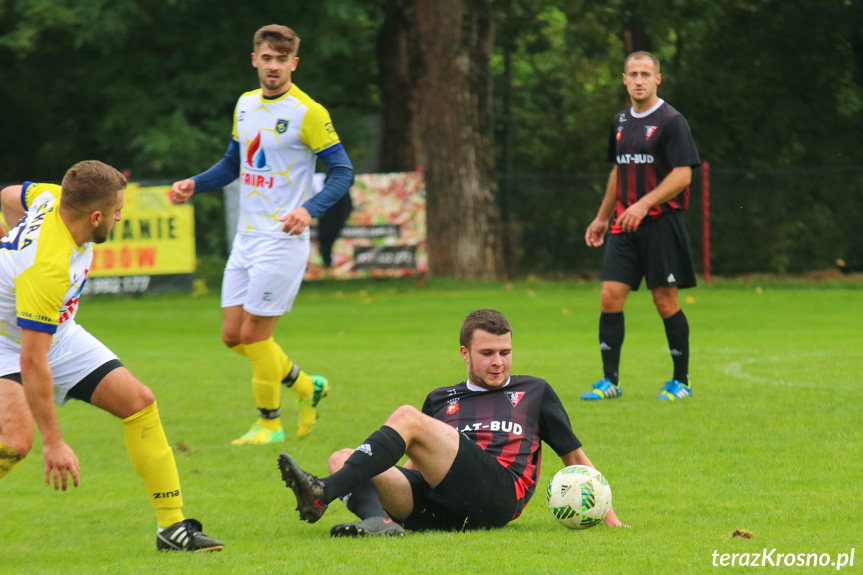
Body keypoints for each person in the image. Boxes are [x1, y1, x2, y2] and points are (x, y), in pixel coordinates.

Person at [0, 161, 224, 552]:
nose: (120, 217)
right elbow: (33, 361)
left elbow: (6, 195)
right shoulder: (46, 268)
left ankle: (172, 529)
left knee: (139, 403)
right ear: (96, 215)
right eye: (118, 212)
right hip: (9, 342)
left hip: (57, 331)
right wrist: (54, 442)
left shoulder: (54, 196)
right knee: (17, 443)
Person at [277, 309, 626, 536]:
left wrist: (608, 515)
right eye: (487, 353)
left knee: (406, 417)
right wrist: (385, 484)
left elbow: (574, 458)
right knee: (342, 457)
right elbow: (418, 464)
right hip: (441, 503)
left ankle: (323, 492)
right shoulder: (442, 398)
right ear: (465, 353)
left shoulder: (535, 391)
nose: (498, 363)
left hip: (498, 495)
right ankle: (378, 521)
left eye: (505, 353)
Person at [169, 24, 355, 443]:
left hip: (283, 239)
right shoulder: (245, 105)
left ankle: (270, 423)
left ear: (294, 63)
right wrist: (194, 184)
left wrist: (310, 209)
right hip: (246, 238)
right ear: (255, 59)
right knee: (232, 337)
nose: (273, 66)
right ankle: (307, 386)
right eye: (266, 58)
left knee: (255, 335)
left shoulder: (309, 112)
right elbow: (233, 164)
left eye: (281, 59)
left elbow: (343, 172)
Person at [582, 51, 701, 402]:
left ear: (657, 79)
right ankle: (610, 382)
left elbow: (683, 174)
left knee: (665, 300)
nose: (638, 80)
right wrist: (603, 216)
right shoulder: (620, 121)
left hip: (661, 222)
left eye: (645, 74)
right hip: (623, 224)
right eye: (632, 74)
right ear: (624, 79)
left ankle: (681, 381)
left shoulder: (671, 120)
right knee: (609, 296)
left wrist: (644, 203)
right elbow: (618, 171)